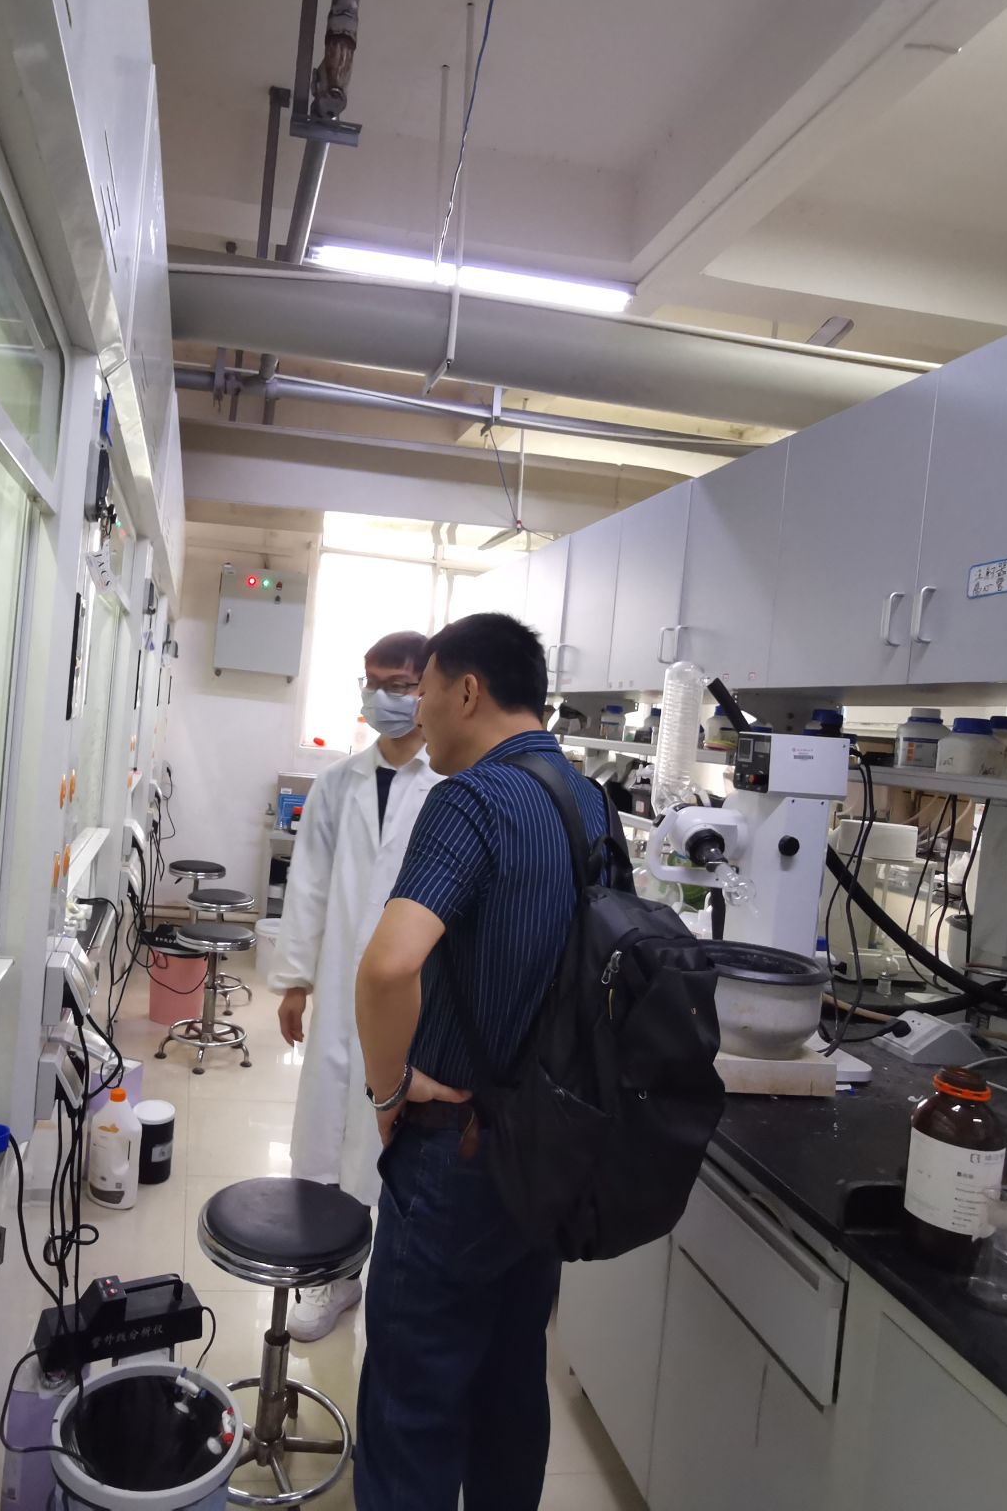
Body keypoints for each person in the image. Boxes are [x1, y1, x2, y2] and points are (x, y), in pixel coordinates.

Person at [351, 611, 612, 1511]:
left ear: (467, 691)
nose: (417, 712)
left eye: (423, 692)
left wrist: (389, 1088)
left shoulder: (469, 801)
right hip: (547, 1149)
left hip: (454, 1150)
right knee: (509, 1387)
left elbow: (388, 968)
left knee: (414, 1403)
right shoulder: (589, 803)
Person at [268, 630, 439, 1342]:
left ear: (429, 690)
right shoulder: (338, 784)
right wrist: (295, 982)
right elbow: (307, 885)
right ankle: (333, 1276)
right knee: (326, 1129)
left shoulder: (450, 785)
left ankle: (390, 1273)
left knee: (393, 1138)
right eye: (373, 683)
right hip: (341, 984)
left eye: (398, 685)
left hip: (416, 994)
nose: (382, 698)